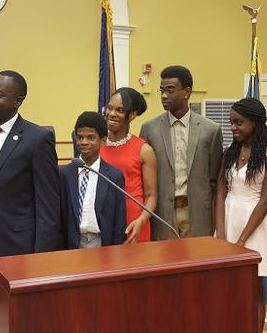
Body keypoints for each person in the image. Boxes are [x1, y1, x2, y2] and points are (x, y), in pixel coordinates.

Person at [0, 70, 61, 300]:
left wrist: (42, 259)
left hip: (20, 255)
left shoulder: (37, 138)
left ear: (17, 101)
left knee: (20, 327)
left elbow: (48, 207)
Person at [213, 98, 267, 333]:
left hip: (255, 225)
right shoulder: (230, 151)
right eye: (231, 123)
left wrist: (241, 241)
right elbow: (220, 192)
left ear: (255, 122)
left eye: (239, 123)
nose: (233, 128)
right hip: (229, 218)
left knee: (255, 293)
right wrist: (221, 235)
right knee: (226, 289)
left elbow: (266, 200)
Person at [139, 65, 223, 240]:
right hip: (162, 213)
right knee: (165, 264)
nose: (163, 95)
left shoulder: (211, 130)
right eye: (161, 90)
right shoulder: (149, 129)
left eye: (170, 90)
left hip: (198, 212)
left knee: (198, 262)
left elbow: (214, 178)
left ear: (187, 92)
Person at [60, 112, 127, 249]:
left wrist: (118, 252)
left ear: (103, 140)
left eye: (91, 138)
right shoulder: (65, 174)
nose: (84, 142)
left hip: (101, 243)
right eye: (80, 137)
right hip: (72, 243)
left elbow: (119, 221)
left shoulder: (113, 176)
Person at [100, 87, 157, 243]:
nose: (111, 114)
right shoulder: (97, 144)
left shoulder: (144, 150)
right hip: (103, 222)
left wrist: (141, 221)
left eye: (119, 110)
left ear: (132, 114)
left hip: (134, 224)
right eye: (110, 108)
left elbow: (151, 195)